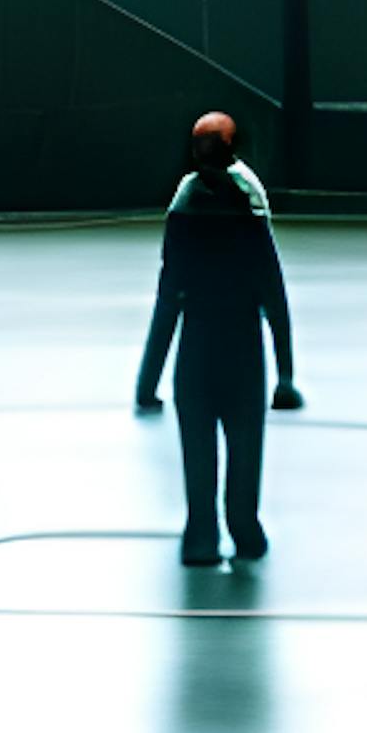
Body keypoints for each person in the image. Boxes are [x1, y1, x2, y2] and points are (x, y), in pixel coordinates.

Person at [134, 111, 300, 567]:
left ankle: (201, 532)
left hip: (198, 346)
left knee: (199, 446)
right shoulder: (249, 203)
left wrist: (146, 384)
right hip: (243, 346)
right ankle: (243, 527)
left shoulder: (184, 207)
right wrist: (285, 376)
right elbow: (274, 295)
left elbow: (168, 298)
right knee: (245, 442)